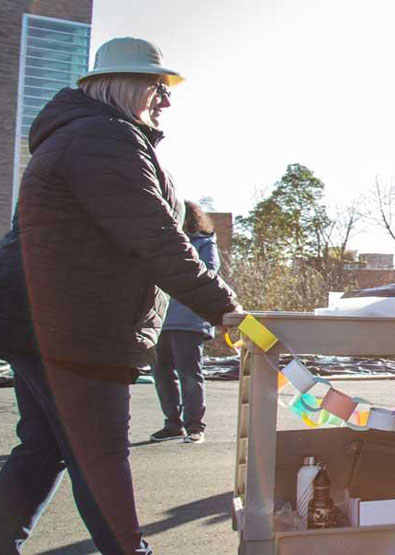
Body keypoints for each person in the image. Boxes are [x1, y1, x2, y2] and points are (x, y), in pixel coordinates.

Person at [0, 38, 239, 555]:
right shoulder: (103, 139)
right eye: (159, 87)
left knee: (43, 448)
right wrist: (224, 308)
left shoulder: (80, 137)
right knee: (100, 457)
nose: (167, 101)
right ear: (127, 84)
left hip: (47, 321)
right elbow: (154, 236)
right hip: (77, 326)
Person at [150, 201, 222, 445]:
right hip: (161, 320)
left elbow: (208, 272)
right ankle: (172, 424)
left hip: (189, 320)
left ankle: (195, 425)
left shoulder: (203, 243)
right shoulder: (162, 243)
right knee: (161, 373)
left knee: (189, 373)